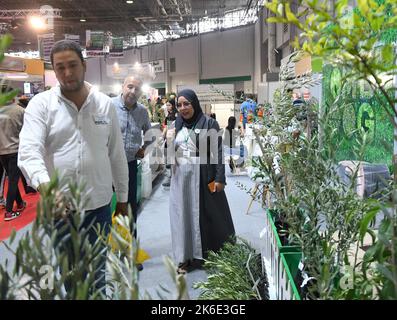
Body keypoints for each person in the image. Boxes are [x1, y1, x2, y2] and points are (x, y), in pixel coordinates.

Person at [18, 40, 129, 292]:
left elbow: (117, 155)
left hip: (99, 207)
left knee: (97, 271)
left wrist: (122, 200)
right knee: (69, 274)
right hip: (61, 210)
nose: (67, 73)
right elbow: (28, 152)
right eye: (60, 68)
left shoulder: (104, 105)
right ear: (54, 71)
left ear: (84, 65)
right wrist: (47, 187)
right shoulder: (41, 105)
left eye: (72, 65)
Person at [168, 88, 235, 274]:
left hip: (203, 175)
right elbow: (169, 156)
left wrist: (220, 178)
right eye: (179, 105)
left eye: (186, 104)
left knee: (209, 215)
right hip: (180, 179)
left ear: (194, 104)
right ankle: (184, 257)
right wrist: (167, 142)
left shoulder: (209, 123)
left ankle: (212, 255)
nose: (183, 108)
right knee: (183, 217)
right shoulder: (175, 125)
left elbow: (218, 152)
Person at [112, 76, 152, 241]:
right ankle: (107, 249)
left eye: (137, 89)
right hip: (107, 166)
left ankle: (130, 248)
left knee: (130, 208)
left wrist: (144, 149)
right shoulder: (109, 106)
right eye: (130, 87)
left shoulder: (142, 111)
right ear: (122, 86)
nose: (133, 91)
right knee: (105, 206)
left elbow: (151, 135)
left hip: (129, 166)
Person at [0, 86, 26, 221]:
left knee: (11, 179)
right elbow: (28, 131)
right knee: (13, 181)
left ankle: (20, 203)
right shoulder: (20, 110)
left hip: (2, 151)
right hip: (15, 150)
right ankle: (9, 212)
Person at [161, 98, 178, 189]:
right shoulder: (171, 115)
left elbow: (168, 128)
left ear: (173, 105)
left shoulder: (173, 116)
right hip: (171, 139)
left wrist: (162, 136)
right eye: (166, 105)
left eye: (169, 105)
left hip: (171, 139)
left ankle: (171, 178)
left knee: (171, 160)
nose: (167, 107)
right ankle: (172, 177)